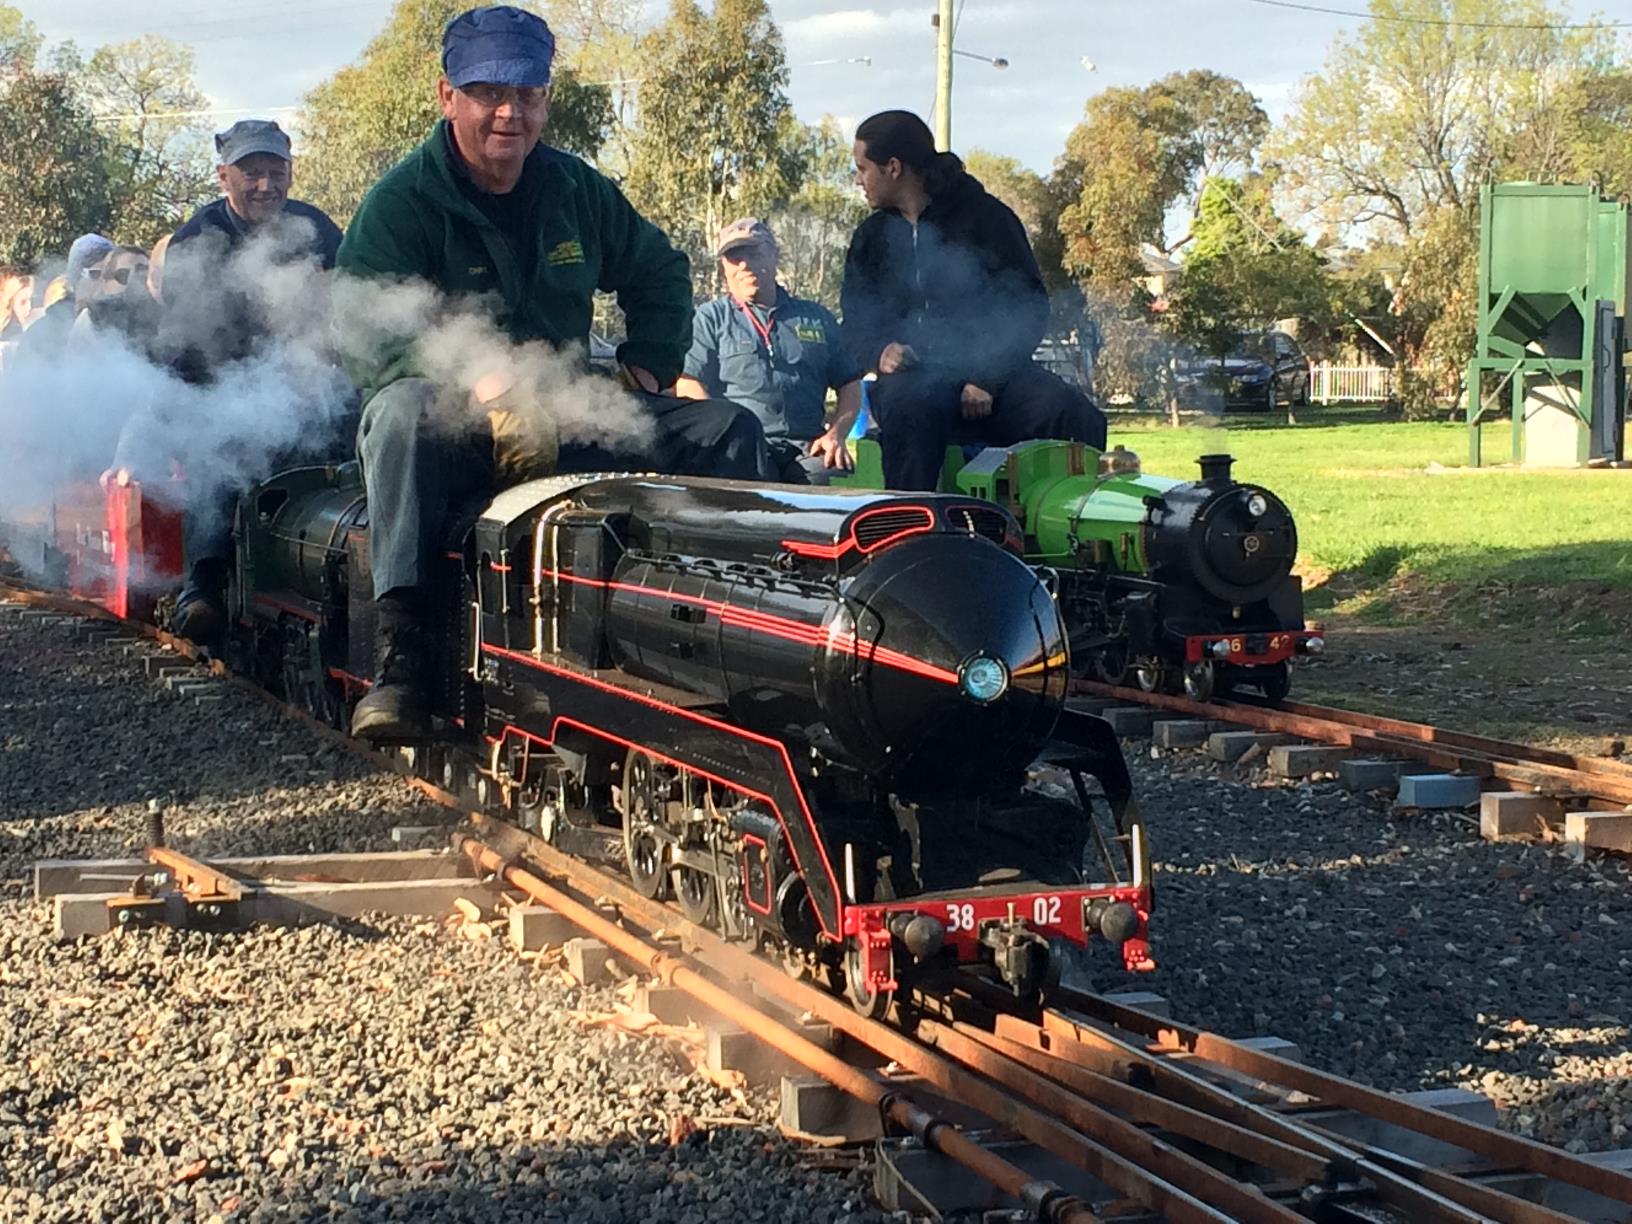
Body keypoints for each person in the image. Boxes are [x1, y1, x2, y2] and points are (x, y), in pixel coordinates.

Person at [338, 4, 771, 740]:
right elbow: (358, 323)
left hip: (571, 409)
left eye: (528, 95)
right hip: (458, 422)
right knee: (400, 415)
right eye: (488, 94)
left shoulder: (578, 189)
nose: (509, 113)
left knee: (727, 427)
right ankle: (401, 661)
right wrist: (473, 379)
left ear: (546, 98)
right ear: (448, 97)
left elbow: (661, 272)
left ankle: (749, 634)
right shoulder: (399, 203)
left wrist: (648, 366)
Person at [141, 119, 347, 644]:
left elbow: (352, 303)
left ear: (291, 174)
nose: (265, 186)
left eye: (276, 173)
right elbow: (184, 344)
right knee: (221, 449)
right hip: (222, 385)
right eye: (251, 173)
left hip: (309, 382)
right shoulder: (197, 240)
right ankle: (202, 584)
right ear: (223, 177)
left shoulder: (317, 230)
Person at [840, 110, 1106, 491]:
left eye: (862, 168)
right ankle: (914, 534)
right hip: (915, 381)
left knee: (1070, 413)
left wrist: (987, 378)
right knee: (908, 408)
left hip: (997, 374)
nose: (858, 179)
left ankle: (1069, 530)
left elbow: (1028, 306)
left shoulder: (988, 218)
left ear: (893, 167)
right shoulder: (870, 239)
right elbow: (855, 323)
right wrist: (879, 351)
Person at [676, 218, 863, 483]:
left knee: (822, 500)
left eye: (753, 253)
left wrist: (836, 434)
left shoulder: (817, 318)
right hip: (743, 452)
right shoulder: (710, 319)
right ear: (723, 268)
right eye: (733, 257)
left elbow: (850, 383)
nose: (743, 264)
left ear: (774, 256)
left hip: (808, 450)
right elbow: (687, 383)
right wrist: (723, 436)